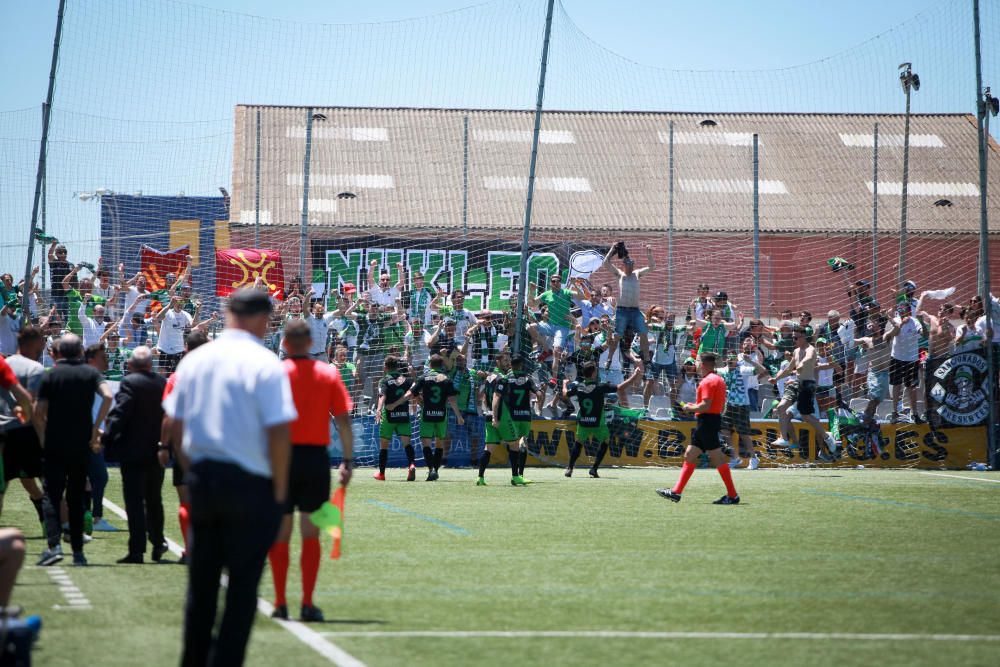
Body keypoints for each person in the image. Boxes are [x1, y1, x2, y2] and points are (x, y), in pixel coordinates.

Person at [163, 288, 297, 666]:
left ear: (228, 312)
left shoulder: (196, 361)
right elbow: (279, 433)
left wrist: (192, 472)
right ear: (262, 318)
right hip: (251, 484)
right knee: (242, 587)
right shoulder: (266, 362)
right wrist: (280, 491)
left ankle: (193, 659)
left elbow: (176, 423)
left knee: (202, 584)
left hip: (205, 479)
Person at [268, 318, 353, 623]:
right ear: (312, 344)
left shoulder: (274, 373)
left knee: (280, 532)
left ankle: (279, 602)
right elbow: (343, 420)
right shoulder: (328, 373)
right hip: (316, 460)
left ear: (284, 344)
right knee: (310, 533)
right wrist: (348, 460)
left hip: (280, 459)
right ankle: (307, 602)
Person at [35, 334, 113, 567]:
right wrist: (95, 429)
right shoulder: (91, 374)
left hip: (55, 443)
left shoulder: (51, 376)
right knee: (77, 496)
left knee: (52, 495)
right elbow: (108, 396)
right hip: (81, 443)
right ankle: (78, 552)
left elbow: (39, 412)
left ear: (58, 353)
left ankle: (54, 545)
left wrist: (43, 436)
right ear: (80, 352)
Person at [101, 346, 168, 563]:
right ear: (150, 364)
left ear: (131, 365)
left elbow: (121, 413)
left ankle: (137, 550)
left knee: (134, 502)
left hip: (133, 453)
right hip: (155, 451)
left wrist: (106, 437)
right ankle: (158, 543)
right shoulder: (161, 383)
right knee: (154, 500)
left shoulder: (129, 383)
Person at [656, 352, 740, 505]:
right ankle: (676, 492)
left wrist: (689, 407)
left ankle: (733, 495)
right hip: (708, 421)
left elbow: (705, 405)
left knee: (717, 458)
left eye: (698, 361)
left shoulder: (708, 381)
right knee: (690, 454)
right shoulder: (718, 379)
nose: (696, 364)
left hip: (707, 421)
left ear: (704, 364)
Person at [159, 330, 210, 564]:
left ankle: (190, 551)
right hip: (213, 445)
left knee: (186, 500)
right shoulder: (218, 375)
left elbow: (170, 416)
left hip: (185, 446)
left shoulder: (177, 378)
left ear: (186, 349)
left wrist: (163, 445)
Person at [768, 327, 840, 461]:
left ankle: (826, 436)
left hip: (808, 385)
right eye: (793, 338)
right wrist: (776, 379)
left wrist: (801, 364)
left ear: (804, 337)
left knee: (806, 416)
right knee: (781, 407)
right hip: (796, 383)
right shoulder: (796, 351)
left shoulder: (811, 349)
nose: (794, 340)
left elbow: (808, 358)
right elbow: (789, 368)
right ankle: (784, 438)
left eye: (796, 338)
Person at [387, 354, 463, 481]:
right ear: (442, 365)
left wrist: (395, 404)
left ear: (430, 365)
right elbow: (452, 399)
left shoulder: (424, 377)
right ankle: (435, 471)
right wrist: (459, 416)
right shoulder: (446, 379)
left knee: (426, 444)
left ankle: (431, 469)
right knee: (439, 444)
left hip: (427, 414)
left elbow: (410, 394)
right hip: (441, 415)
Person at [563, 360, 642, 478]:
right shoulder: (600, 386)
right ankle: (594, 469)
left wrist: (564, 384)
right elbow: (620, 388)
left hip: (584, 422)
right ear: (594, 373)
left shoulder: (579, 386)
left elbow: (565, 394)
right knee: (605, 441)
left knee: (578, 443)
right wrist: (634, 376)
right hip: (598, 424)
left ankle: (569, 468)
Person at [0, 328, 46, 527]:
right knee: (41, 481)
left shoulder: (5, 363)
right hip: (25, 432)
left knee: (8, 484)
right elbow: (32, 403)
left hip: (5, 431)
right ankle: (57, 528)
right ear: (33, 343)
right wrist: (43, 436)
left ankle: (48, 519)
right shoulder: (35, 368)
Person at [602, 242, 655, 369]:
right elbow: (605, 263)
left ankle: (647, 359)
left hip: (635, 310)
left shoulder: (637, 274)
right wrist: (612, 250)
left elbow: (652, 267)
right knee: (618, 335)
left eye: (633, 263)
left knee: (643, 332)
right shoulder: (619, 274)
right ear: (623, 265)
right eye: (628, 263)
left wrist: (649, 254)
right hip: (622, 310)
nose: (631, 265)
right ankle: (609, 359)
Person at [492, 356, 540, 486]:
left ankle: (516, 474)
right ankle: (520, 474)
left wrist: (494, 417)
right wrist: (538, 407)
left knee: (513, 444)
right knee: (522, 443)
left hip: (510, 416)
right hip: (525, 416)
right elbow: (539, 394)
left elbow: (496, 397)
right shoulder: (527, 379)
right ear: (521, 365)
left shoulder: (505, 378)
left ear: (511, 365)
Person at [373, 355, 416, 481]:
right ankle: (411, 464)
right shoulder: (406, 380)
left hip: (389, 416)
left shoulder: (384, 380)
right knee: (407, 444)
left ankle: (381, 474)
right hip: (403, 415)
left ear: (385, 367)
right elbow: (414, 393)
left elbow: (382, 396)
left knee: (384, 445)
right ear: (397, 367)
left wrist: (379, 409)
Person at [884, 302, 923, 423]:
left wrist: (921, 329)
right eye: (900, 310)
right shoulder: (895, 320)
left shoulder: (914, 321)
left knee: (912, 387)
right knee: (896, 385)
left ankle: (914, 414)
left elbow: (921, 331)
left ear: (908, 311)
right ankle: (895, 412)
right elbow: (892, 334)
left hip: (911, 360)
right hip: (896, 358)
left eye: (903, 310)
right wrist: (901, 323)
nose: (901, 312)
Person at [475, 352, 510, 486]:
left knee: (488, 448)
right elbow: (496, 397)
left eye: (509, 360)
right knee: (515, 444)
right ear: (498, 362)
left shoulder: (489, 377)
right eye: (505, 360)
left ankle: (480, 477)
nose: (508, 362)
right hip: (500, 417)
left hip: (489, 415)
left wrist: (486, 410)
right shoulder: (500, 378)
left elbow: (482, 395)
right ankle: (517, 476)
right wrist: (496, 417)